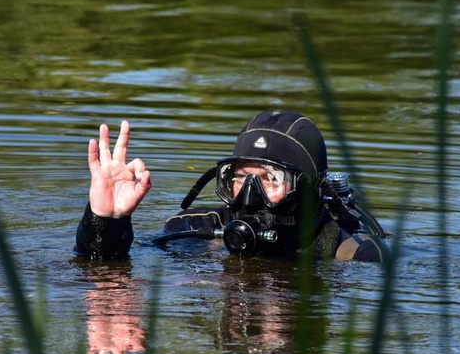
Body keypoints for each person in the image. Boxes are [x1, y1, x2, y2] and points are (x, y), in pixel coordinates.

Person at [74, 110, 388, 262]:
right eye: (239, 178)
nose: (250, 195)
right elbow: (102, 273)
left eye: (271, 179)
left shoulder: (353, 253)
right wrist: (106, 221)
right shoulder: (197, 231)